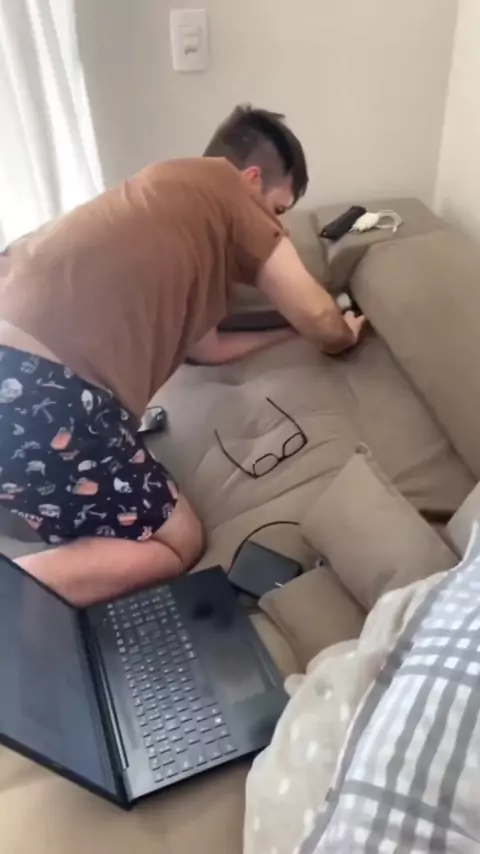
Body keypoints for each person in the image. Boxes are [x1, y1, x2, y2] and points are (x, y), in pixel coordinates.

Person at [0, 104, 365, 607]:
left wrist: (289, 333)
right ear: (250, 180)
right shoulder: (227, 191)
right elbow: (321, 317)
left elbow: (208, 349)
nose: (277, 229)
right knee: (179, 543)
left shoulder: (170, 202)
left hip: (18, 370)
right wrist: (341, 334)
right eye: (277, 212)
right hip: (33, 385)